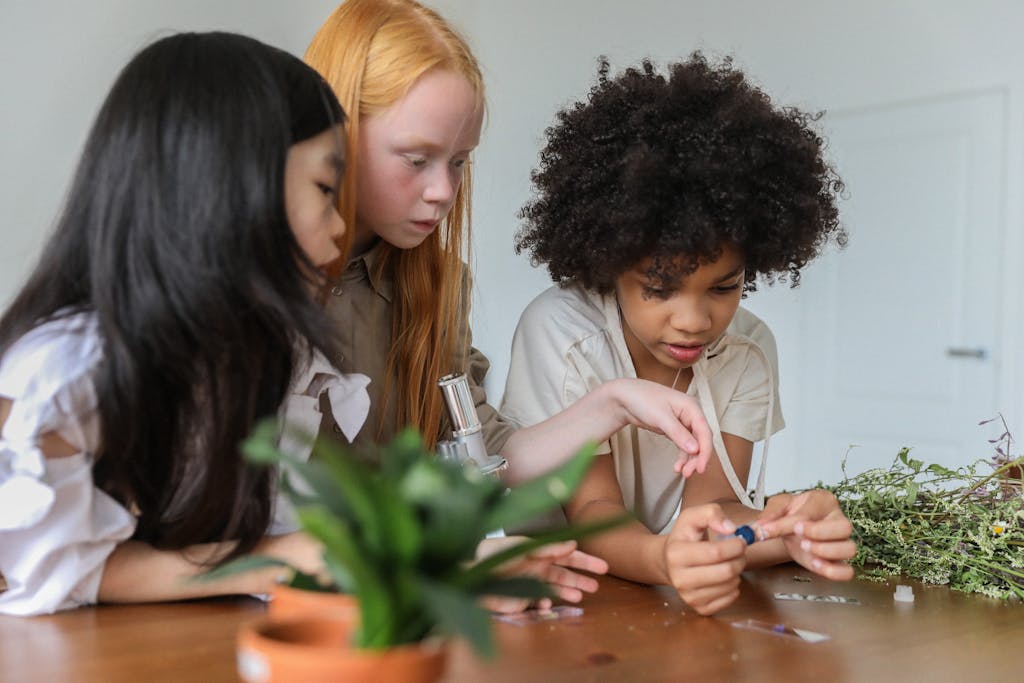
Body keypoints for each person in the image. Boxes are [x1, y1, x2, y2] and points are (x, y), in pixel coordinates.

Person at [0, 31, 596, 617]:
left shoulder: (273, 356)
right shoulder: (62, 377)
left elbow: (302, 545)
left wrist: (439, 572)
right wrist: (283, 559)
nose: (339, 225)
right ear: (231, 191)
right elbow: (58, 570)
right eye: (324, 189)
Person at [305, 0, 715, 488]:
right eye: (417, 159)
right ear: (340, 133)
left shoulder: (438, 283)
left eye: (459, 162)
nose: (443, 191)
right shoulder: (247, 279)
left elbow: (484, 458)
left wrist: (616, 402)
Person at [502, 54, 857, 615]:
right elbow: (593, 508)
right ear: (608, 260)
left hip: (657, 598)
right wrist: (665, 559)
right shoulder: (562, 332)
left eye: (724, 287)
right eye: (659, 287)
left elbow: (714, 505)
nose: (694, 321)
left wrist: (787, 528)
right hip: (557, 595)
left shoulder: (749, 349)